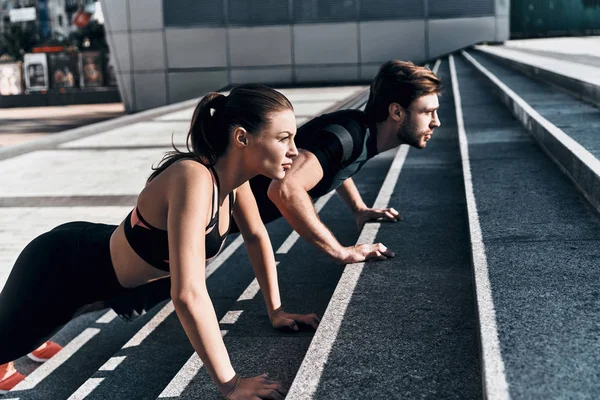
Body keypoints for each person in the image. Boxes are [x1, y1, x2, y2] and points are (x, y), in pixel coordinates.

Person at [0, 84, 320, 399]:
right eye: (283, 138)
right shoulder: (193, 178)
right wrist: (231, 385)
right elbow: (187, 294)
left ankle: (28, 331)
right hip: (62, 269)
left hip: (115, 281)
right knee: (10, 340)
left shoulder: (235, 183)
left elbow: (256, 236)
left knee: (42, 322)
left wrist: (276, 310)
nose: (294, 150)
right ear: (241, 138)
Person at [89, 59, 443, 326]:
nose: (435, 122)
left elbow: (332, 168)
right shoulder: (347, 135)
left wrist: (359, 208)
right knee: (119, 288)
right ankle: (51, 313)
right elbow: (286, 189)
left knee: (128, 292)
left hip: (224, 224)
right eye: (428, 112)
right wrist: (341, 251)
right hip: (207, 218)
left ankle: (53, 313)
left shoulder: (357, 136)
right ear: (396, 112)